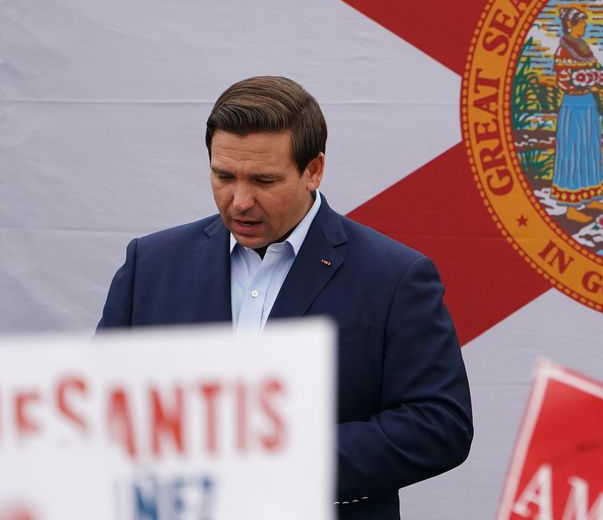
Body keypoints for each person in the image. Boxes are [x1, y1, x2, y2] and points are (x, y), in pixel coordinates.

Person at [97, 76, 471, 518]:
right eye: (223, 176)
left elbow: (439, 425)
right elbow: (101, 405)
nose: (239, 201)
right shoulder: (151, 263)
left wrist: (283, 463)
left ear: (314, 170)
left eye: (264, 180)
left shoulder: (396, 276)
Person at [551, 7, 603, 223]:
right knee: (574, 151)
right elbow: (563, 80)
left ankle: (591, 198)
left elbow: (596, 74)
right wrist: (581, 83)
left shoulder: (584, 47)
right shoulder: (563, 49)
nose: (585, 26)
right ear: (571, 25)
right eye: (582, 23)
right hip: (574, 104)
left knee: (590, 149)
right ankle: (571, 207)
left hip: (588, 104)